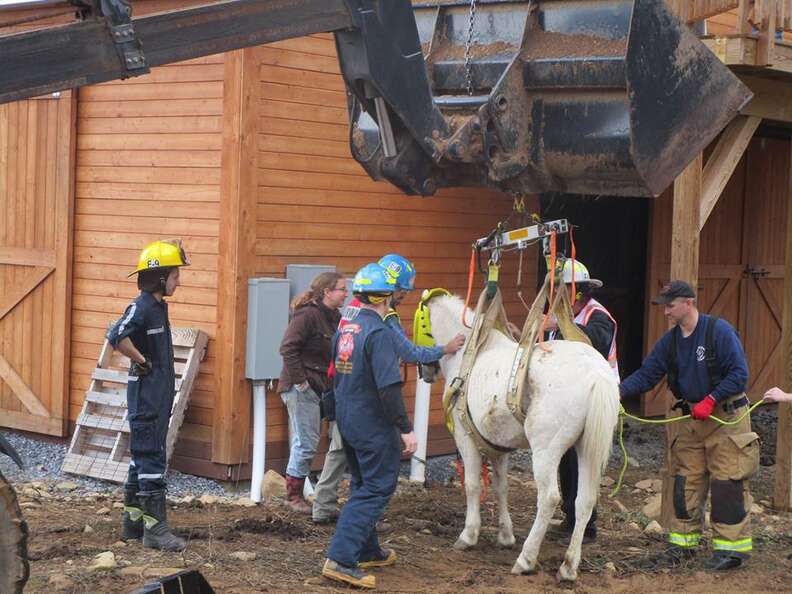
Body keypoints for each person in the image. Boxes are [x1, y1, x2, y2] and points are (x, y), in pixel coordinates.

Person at [312, 254, 464, 524]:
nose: (404, 295)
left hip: (340, 384)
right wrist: (444, 349)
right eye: (403, 290)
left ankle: (326, 506)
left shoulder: (353, 308)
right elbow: (407, 350)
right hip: (365, 393)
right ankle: (355, 515)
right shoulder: (384, 316)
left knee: (340, 447)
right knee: (367, 461)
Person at [620, 280, 755, 571]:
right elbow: (647, 375)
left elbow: (739, 374)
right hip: (692, 422)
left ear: (688, 303)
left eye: (670, 306)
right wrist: (613, 391)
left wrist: (712, 398)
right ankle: (682, 544)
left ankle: (731, 551)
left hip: (726, 419)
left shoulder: (718, 331)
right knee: (686, 483)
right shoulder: (670, 342)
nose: (666, 312)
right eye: (664, 306)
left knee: (727, 483)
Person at [321, 263, 418, 589]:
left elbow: (332, 374)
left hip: (348, 421)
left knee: (363, 483)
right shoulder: (379, 333)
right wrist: (405, 428)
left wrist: (335, 417)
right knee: (376, 488)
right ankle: (341, 559)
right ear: (387, 297)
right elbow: (388, 388)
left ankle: (367, 550)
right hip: (373, 424)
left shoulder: (347, 328)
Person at [107, 239, 189, 552]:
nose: (179, 281)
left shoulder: (157, 307)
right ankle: (156, 533)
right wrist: (142, 361)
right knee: (152, 460)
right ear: (160, 278)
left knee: (139, 461)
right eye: (175, 275)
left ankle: (133, 524)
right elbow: (117, 335)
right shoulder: (140, 307)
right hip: (147, 400)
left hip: (156, 398)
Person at [547, 259, 618, 543]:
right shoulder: (563, 316)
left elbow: (593, 343)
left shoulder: (597, 316)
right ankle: (570, 516)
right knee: (566, 461)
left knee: (582, 462)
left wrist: (559, 326)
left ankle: (586, 526)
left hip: (595, 400)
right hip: (570, 399)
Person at [278, 272, 347, 514]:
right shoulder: (308, 315)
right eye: (341, 289)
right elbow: (287, 348)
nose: (346, 293)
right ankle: (293, 496)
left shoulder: (335, 317)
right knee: (306, 443)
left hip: (321, 387)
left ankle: (300, 493)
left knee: (307, 440)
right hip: (302, 387)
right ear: (327, 292)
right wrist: (301, 383)